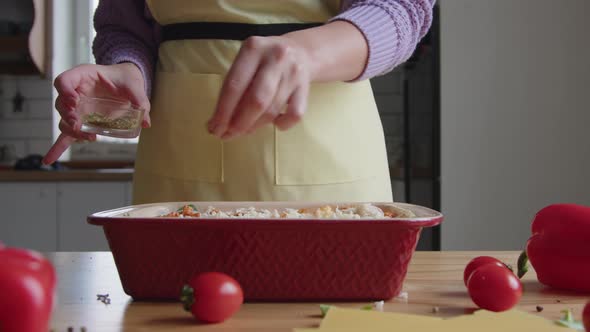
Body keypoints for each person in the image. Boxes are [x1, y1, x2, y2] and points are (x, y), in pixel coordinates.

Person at [43, 0, 434, 204]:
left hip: (329, 177)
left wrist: (309, 53)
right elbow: (123, 26)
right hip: (178, 179)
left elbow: (402, 7)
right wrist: (130, 73)